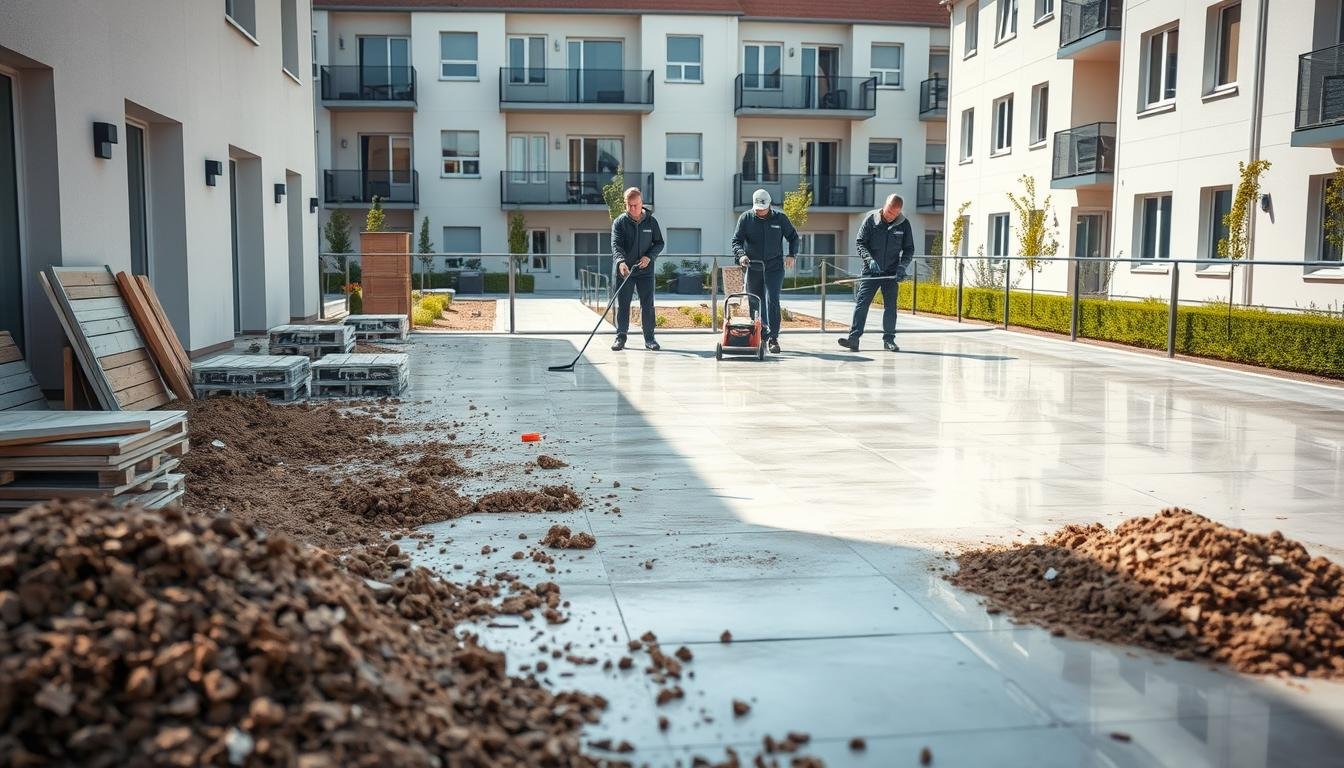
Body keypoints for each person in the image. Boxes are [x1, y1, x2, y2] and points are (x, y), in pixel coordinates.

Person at [838, 193, 915, 352]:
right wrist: (869, 260)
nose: (889, 216)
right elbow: (860, 243)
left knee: (890, 307)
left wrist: (902, 267)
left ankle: (889, 340)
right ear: (884, 205)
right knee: (862, 304)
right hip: (870, 271)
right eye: (888, 211)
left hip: (891, 272)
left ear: (899, 211)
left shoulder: (904, 224)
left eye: (893, 214)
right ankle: (854, 339)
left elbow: (909, 249)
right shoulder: (871, 220)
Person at [731, 189, 799, 354]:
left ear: (769, 205)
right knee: (755, 301)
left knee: (772, 300)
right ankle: (761, 334)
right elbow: (736, 241)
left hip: (774, 267)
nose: (760, 212)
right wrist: (741, 255)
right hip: (753, 266)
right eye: (757, 209)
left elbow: (793, 237)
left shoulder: (780, 218)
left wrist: (791, 255)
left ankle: (774, 338)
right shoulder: (746, 218)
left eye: (763, 209)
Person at [611, 187, 664, 351]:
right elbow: (616, 245)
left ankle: (650, 339)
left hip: (645, 271)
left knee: (647, 304)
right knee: (624, 304)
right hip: (625, 271)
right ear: (625, 204)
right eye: (630, 205)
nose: (633, 208)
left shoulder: (651, 221)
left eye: (636, 205)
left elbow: (659, 243)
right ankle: (620, 337)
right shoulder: (620, 222)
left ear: (641, 203)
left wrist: (649, 257)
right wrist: (620, 262)